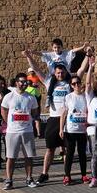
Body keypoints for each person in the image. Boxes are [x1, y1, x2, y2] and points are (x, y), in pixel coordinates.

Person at [25, 50, 75, 184]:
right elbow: (36, 69)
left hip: (67, 119)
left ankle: (67, 174)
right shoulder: (49, 82)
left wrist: (88, 59)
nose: (60, 74)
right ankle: (44, 173)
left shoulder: (71, 83)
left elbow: (81, 71)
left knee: (67, 149)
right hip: (53, 118)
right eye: (58, 72)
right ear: (54, 73)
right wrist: (29, 56)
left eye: (62, 72)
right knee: (50, 149)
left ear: (66, 72)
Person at [1, 73, 41, 190]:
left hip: (27, 131)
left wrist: (30, 120)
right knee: (11, 157)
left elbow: (34, 112)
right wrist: (8, 122)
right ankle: (9, 180)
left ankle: (29, 178)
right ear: (16, 82)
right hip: (12, 132)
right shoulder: (9, 96)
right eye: (21, 81)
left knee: (28, 156)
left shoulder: (31, 97)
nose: (24, 84)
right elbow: (4, 110)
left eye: (25, 82)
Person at [60, 73, 89, 185]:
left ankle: (84, 175)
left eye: (78, 83)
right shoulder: (68, 97)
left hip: (82, 131)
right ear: (71, 86)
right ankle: (67, 176)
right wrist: (61, 129)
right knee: (70, 154)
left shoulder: (85, 97)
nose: (76, 85)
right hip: (70, 130)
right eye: (74, 83)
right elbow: (63, 114)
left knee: (82, 154)